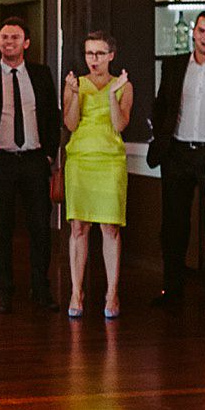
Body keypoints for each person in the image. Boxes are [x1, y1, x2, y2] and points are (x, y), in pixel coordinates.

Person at [0, 18, 61, 314]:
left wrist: (49, 155)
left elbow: (51, 115)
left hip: (35, 160)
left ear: (26, 43)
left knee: (40, 227)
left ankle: (41, 288)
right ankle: (3, 290)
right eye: (4, 37)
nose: (8, 42)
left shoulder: (41, 74)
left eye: (14, 37)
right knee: (0, 227)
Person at [148, 10, 205, 306]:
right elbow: (161, 105)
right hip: (177, 151)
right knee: (173, 225)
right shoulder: (173, 64)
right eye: (201, 31)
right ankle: (172, 290)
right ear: (193, 32)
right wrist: (160, 136)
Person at [62, 32, 133, 320]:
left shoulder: (123, 86)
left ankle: (111, 293)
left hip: (110, 160)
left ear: (111, 55)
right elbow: (70, 123)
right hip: (80, 158)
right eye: (90, 54)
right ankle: (76, 291)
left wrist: (113, 94)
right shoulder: (75, 83)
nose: (94, 60)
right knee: (78, 227)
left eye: (100, 54)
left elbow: (120, 125)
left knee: (110, 228)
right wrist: (75, 95)